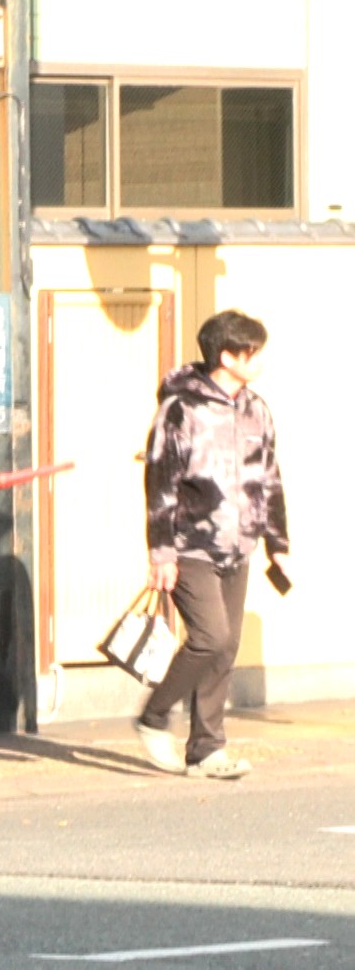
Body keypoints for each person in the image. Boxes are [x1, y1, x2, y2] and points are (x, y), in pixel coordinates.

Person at [133, 310, 289, 780]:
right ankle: (154, 716)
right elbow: (160, 481)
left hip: (238, 546)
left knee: (226, 647)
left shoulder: (256, 409)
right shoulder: (180, 409)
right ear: (227, 356)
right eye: (252, 352)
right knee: (210, 637)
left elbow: (270, 478)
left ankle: (206, 748)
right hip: (190, 545)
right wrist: (160, 552)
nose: (259, 360)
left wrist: (276, 542)